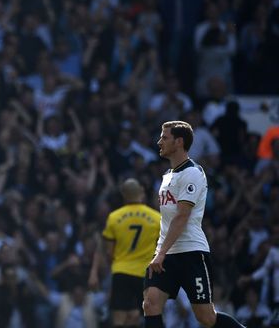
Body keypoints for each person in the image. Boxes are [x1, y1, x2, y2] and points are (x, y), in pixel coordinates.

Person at [142, 121, 244, 327]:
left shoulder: (193, 173)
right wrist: (160, 252)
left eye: (164, 137)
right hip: (167, 253)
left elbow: (182, 216)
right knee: (150, 303)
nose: (159, 141)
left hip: (191, 253)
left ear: (179, 142)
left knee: (206, 317)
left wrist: (160, 252)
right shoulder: (167, 176)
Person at [89, 178, 161, 328]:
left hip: (121, 272)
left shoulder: (114, 217)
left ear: (123, 195)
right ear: (141, 193)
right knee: (145, 316)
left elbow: (108, 252)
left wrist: (97, 271)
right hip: (145, 274)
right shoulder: (156, 218)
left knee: (119, 319)